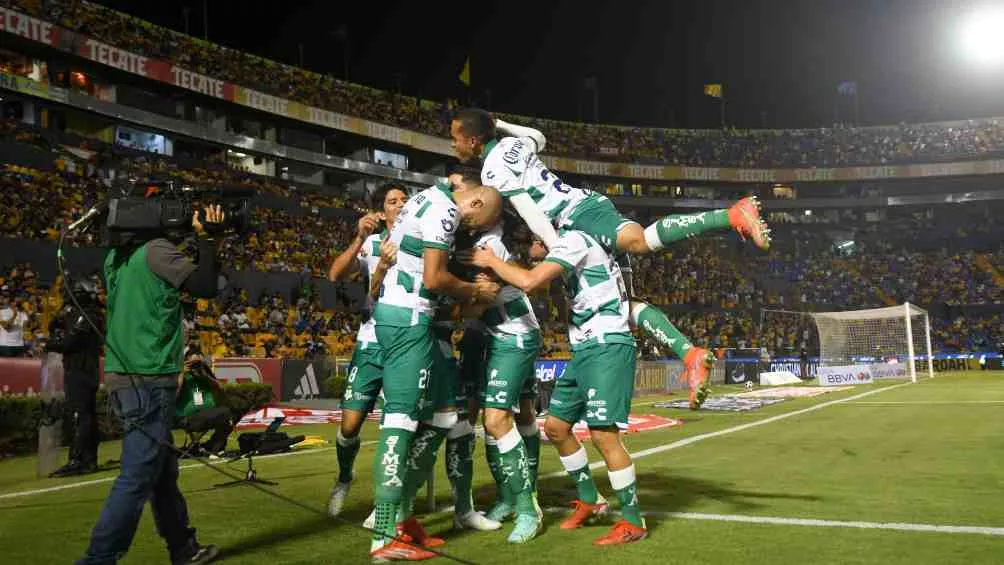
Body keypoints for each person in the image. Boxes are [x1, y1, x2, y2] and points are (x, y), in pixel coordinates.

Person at [449, 108, 760, 408]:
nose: (453, 144)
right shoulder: (511, 143)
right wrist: (500, 123)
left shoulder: (492, 169)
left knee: (639, 241)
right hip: (581, 212)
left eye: (455, 138)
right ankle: (690, 355)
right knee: (625, 306)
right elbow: (538, 137)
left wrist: (558, 248)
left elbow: (531, 212)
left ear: (473, 140)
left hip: (578, 216)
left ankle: (732, 214)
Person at [465, 227, 649, 546]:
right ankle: (590, 499)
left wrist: (492, 261)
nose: (529, 245)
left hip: (605, 345)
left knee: (604, 435)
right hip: (582, 348)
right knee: (555, 427)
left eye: (535, 241)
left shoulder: (576, 245)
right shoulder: (567, 267)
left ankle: (633, 521)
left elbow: (528, 281)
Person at [76, 205, 226, 565]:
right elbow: (206, 286)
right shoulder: (156, 250)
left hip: (122, 374)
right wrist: (207, 240)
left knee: (161, 469)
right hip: (148, 374)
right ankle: (98, 559)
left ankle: (183, 548)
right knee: (140, 471)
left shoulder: (115, 257)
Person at [368, 180, 502, 561]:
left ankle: (404, 518)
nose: (473, 227)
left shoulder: (427, 195)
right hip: (407, 319)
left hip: (416, 321)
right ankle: (382, 537)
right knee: (401, 422)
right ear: (474, 201)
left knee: (444, 416)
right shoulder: (444, 209)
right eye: (479, 218)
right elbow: (434, 279)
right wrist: (476, 292)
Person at [325, 182, 408, 518]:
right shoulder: (372, 243)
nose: (401, 204)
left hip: (405, 341)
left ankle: (387, 502)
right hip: (371, 341)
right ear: (381, 211)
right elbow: (335, 275)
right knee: (349, 426)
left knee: (396, 426)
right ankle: (345, 477)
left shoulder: (423, 239)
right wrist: (358, 238)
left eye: (405, 199)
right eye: (393, 201)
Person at [48, 277, 105, 477]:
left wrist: (49, 344)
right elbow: (55, 326)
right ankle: (89, 460)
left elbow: (67, 343)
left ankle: (77, 460)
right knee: (87, 416)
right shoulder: (92, 315)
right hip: (87, 371)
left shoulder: (85, 316)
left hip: (79, 370)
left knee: (79, 416)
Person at [176, 348, 233, 459]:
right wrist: (182, 373)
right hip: (188, 418)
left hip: (207, 415)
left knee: (233, 413)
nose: (195, 365)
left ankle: (212, 446)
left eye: (198, 362)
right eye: (192, 363)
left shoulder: (204, 374)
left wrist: (204, 375)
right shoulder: (180, 374)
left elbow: (220, 387)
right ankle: (214, 448)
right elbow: (175, 394)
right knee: (225, 412)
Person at [0, 290, 29, 357]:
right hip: (6, 345)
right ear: (10, 302)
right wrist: (14, 315)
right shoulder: (2, 312)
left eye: (19, 301)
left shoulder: (23, 313)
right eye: (15, 301)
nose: (17, 303)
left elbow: (25, 328)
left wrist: (27, 313)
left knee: (19, 367)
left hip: (19, 345)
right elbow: (6, 327)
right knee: (5, 367)